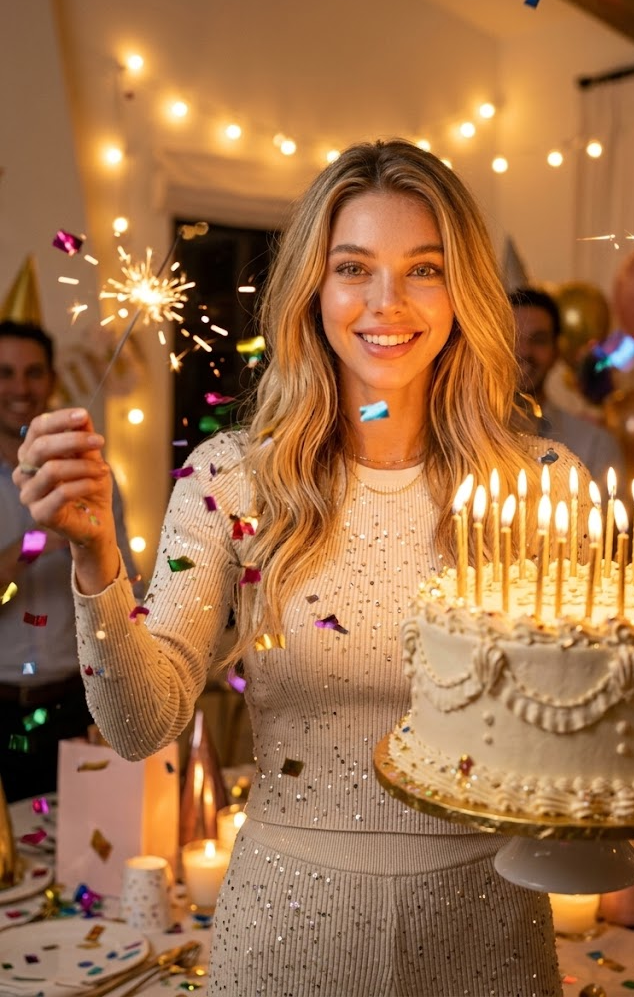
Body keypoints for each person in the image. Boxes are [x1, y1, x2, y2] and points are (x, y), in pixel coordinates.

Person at [13, 140, 590, 995]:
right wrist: (96, 556)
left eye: (423, 269)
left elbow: (582, 721)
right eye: (352, 266)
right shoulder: (231, 476)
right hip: (288, 925)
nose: (385, 303)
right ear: (312, 290)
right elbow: (140, 724)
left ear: (462, 290)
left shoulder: (541, 487)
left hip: (488, 922)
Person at [0, 321, 136, 801]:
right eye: (6, 373)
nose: (20, 387)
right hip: (1, 709)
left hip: (76, 705)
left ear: (52, 380)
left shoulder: (89, 477)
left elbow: (125, 593)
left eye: (33, 372)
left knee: (82, 852)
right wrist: (39, 540)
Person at [509, 287, 626, 499]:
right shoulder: (463, 438)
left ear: (556, 351)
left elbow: (609, 527)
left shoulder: (595, 445)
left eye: (539, 340)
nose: (524, 351)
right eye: (513, 337)